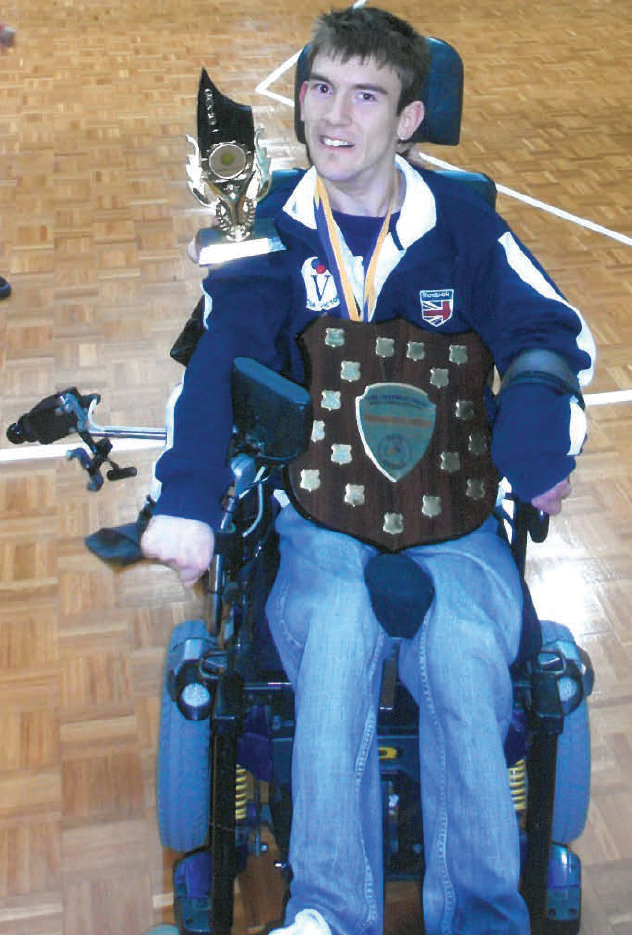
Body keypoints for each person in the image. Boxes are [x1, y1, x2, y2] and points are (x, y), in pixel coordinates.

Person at [141, 7, 595, 935]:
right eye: (318, 89)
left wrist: (538, 440)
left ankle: (481, 914)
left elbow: (550, 333)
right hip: (322, 514)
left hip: (457, 513)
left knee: (467, 653)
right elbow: (218, 365)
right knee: (339, 634)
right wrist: (188, 499)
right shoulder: (271, 231)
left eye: (365, 95)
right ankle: (328, 911)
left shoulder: (465, 228)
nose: (333, 119)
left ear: (410, 118)